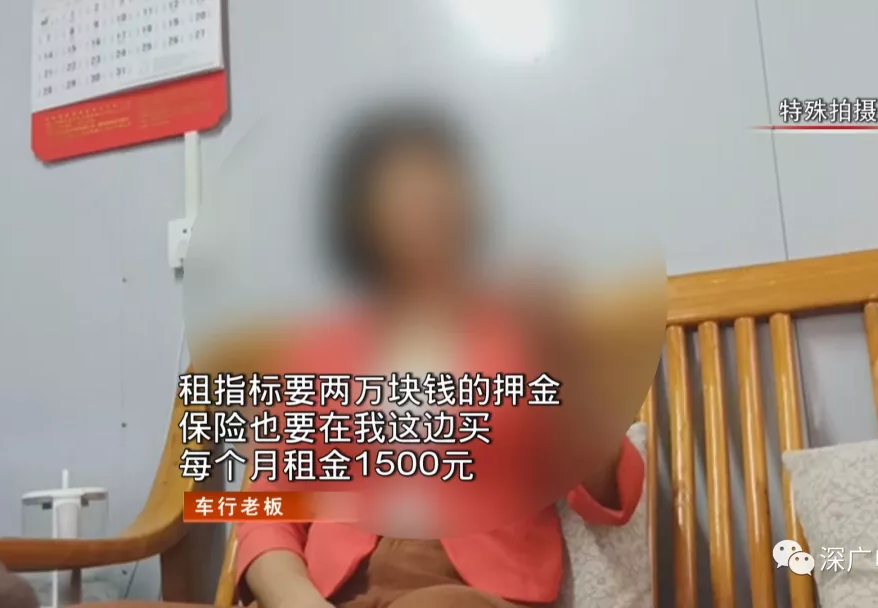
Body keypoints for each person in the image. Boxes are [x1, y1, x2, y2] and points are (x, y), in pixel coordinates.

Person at [236, 105, 644, 608]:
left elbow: (609, 496)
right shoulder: (320, 350)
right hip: (327, 592)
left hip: (469, 592)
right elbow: (266, 509)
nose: (421, 214)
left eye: (436, 192)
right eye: (400, 196)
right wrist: (297, 599)